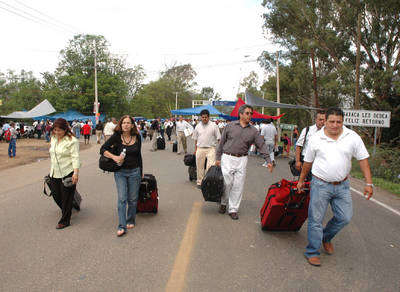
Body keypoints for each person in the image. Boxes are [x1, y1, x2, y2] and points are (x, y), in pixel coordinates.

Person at [297, 108, 373, 267]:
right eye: (331, 121)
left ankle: (326, 237)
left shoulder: (352, 137)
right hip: (320, 184)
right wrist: (301, 180)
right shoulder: (316, 138)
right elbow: (308, 163)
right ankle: (312, 251)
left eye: (338, 122)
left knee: (345, 217)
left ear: (343, 122)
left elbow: (363, 159)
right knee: (315, 219)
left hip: (342, 186)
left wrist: (368, 183)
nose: (335, 125)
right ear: (325, 121)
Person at [216, 104, 274, 220]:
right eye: (247, 113)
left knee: (238, 185)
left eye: (251, 114)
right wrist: (217, 158)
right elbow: (221, 142)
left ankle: (233, 209)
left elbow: (261, 145)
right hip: (227, 157)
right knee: (227, 183)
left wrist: (268, 160)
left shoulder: (254, 131)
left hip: (242, 159)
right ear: (240, 114)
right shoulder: (230, 126)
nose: (250, 116)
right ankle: (223, 202)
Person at [100, 115, 143, 237]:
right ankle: (122, 225)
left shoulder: (137, 137)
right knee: (122, 198)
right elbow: (102, 149)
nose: (126, 125)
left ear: (132, 125)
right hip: (120, 172)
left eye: (128, 123)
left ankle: (130, 219)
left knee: (133, 199)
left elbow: (139, 155)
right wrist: (114, 157)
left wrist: (141, 171)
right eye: (124, 122)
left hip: (135, 171)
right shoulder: (116, 137)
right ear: (120, 124)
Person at [49, 118, 80, 229]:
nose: (57, 132)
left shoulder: (72, 141)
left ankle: (65, 220)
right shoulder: (53, 138)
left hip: (68, 172)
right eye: (55, 130)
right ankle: (72, 204)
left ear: (65, 129)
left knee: (66, 197)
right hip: (54, 172)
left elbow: (75, 158)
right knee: (56, 195)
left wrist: (75, 173)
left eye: (59, 130)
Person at [192, 109, 221, 189]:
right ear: (201, 117)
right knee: (199, 166)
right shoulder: (198, 126)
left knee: (210, 167)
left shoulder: (214, 126)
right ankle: (200, 182)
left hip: (211, 148)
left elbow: (219, 138)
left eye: (206, 117)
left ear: (209, 117)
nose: (204, 119)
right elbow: (195, 139)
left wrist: (220, 150)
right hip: (200, 148)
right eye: (203, 117)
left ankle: (208, 182)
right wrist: (196, 149)